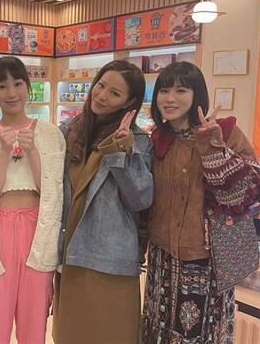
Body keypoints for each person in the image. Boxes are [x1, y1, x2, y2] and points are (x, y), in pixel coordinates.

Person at [141, 62, 260, 344]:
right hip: (162, 256)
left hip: (208, 259)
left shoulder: (226, 131)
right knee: (157, 331)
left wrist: (212, 148)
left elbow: (250, 192)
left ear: (197, 94)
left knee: (201, 335)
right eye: (164, 91)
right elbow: (148, 202)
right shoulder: (159, 139)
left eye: (181, 90)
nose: (170, 98)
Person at [0, 56, 65, 344]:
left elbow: (52, 192)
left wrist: (32, 152)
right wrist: (2, 152)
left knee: (34, 323)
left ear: (28, 87)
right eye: (2, 86)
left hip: (38, 229)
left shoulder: (50, 134)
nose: (11, 93)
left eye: (18, 83)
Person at [52, 60, 153, 344]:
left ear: (129, 102)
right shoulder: (69, 130)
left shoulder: (138, 141)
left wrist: (121, 150)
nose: (102, 95)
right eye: (101, 85)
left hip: (110, 263)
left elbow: (140, 199)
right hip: (70, 255)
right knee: (69, 336)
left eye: (114, 93)